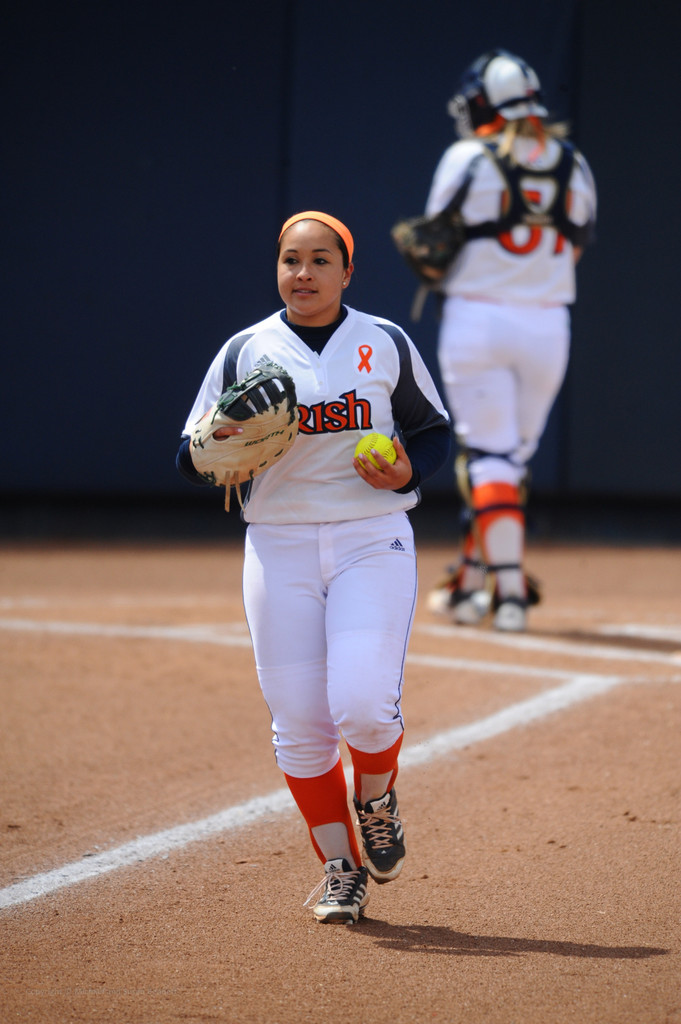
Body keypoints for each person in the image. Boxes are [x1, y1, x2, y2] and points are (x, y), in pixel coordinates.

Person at [176, 211, 451, 923]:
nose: (303, 273)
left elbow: (432, 432)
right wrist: (222, 440)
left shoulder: (382, 340)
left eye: (320, 260)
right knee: (299, 725)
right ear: (277, 269)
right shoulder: (246, 350)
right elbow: (189, 455)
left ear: (346, 272)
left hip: (371, 537)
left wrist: (406, 473)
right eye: (290, 259)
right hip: (279, 543)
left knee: (361, 704)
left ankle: (376, 798)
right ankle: (340, 868)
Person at [421, 49, 597, 632]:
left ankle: (512, 592)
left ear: (484, 103)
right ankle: (472, 584)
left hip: (478, 319)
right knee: (508, 460)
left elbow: (431, 238)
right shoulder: (573, 160)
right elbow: (576, 244)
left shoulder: (465, 156)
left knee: (491, 457)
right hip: (549, 323)